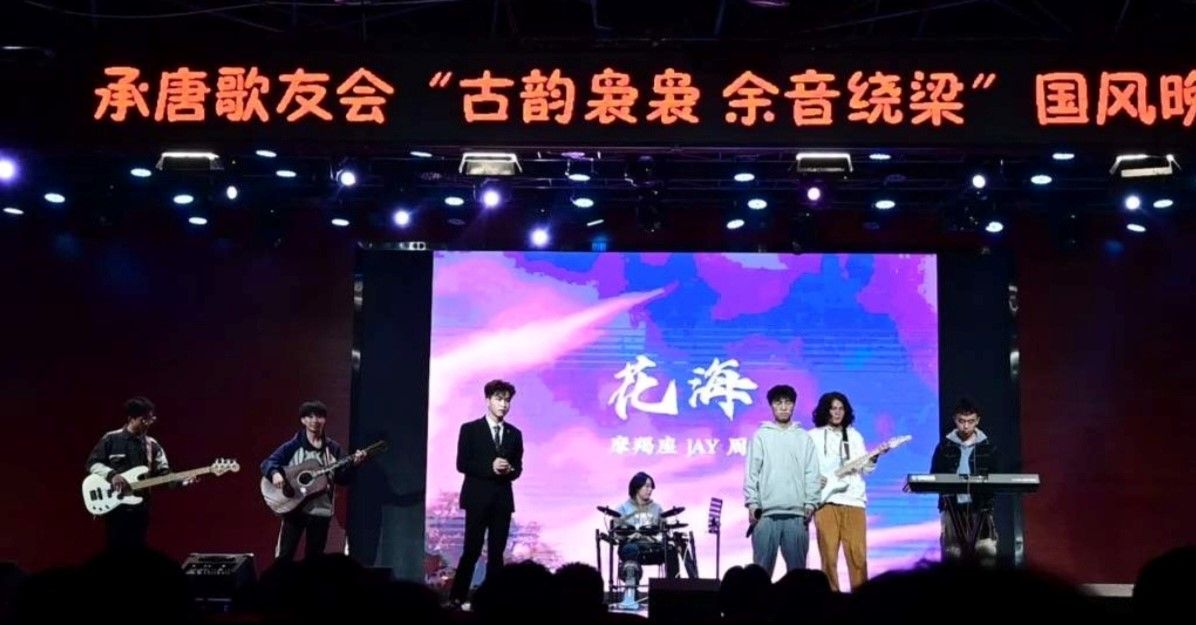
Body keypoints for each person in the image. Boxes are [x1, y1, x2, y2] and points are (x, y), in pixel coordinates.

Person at [449, 379, 525, 607]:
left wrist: (510, 470)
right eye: (499, 399)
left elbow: (518, 468)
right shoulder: (470, 429)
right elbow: (462, 464)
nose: (503, 405)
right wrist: (490, 467)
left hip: (502, 501)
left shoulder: (514, 433)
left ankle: (494, 600)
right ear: (487, 400)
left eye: (507, 400)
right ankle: (457, 597)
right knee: (471, 550)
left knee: (496, 554)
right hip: (477, 499)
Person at [261, 400, 365, 562]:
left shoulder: (333, 448)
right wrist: (275, 473)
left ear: (325, 420)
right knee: (285, 556)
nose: (315, 420)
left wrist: (355, 465)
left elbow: (343, 479)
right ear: (303, 420)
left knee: (314, 561)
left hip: (321, 511)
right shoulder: (292, 446)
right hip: (294, 508)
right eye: (309, 416)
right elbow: (268, 463)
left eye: (319, 416)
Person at [810, 391, 886, 591]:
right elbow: (804, 466)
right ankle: (830, 600)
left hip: (854, 500)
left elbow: (866, 468)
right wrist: (813, 478)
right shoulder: (813, 436)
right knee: (828, 557)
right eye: (833, 408)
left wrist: (875, 457)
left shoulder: (854, 435)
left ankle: (861, 601)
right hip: (826, 501)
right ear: (825, 411)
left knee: (857, 556)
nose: (837, 412)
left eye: (841, 408)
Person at [744, 384, 821, 576]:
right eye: (779, 403)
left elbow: (812, 473)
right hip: (766, 515)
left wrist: (811, 503)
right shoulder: (761, 436)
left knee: (798, 576)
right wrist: (752, 503)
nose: (784, 407)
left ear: (794, 405)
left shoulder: (804, 437)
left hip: (797, 515)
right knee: (760, 574)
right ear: (772, 406)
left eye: (788, 403)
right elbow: (752, 472)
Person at [85, 396, 179, 549]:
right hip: (115, 508)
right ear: (131, 418)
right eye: (144, 419)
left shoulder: (152, 445)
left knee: (138, 551)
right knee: (116, 551)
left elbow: (165, 475)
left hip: (141, 509)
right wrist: (112, 475)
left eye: (150, 419)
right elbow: (92, 463)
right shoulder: (111, 438)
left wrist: (182, 481)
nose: (148, 423)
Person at [930, 398, 1000, 563]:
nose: (966, 426)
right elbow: (934, 476)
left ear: (977, 421)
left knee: (985, 551)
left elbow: (996, 478)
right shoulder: (944, 447)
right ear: (955, 420)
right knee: (952, 553)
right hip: (951, 507)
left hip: (981, 506)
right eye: (961, 421)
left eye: (970, 421)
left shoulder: (988, 447)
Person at [612, 472, 679, 608]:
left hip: (652, 548)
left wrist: (659, 537)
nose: (650, 490)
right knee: (631, 549)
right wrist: (630, 535)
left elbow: (664, 531)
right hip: (632, 547)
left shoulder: (657, 508)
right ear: (637, 487)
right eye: (647, 486)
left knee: (671, 550)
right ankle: (631, 593)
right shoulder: (623, 508)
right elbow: (617, 533)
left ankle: (673, 593)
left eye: (651, 487)